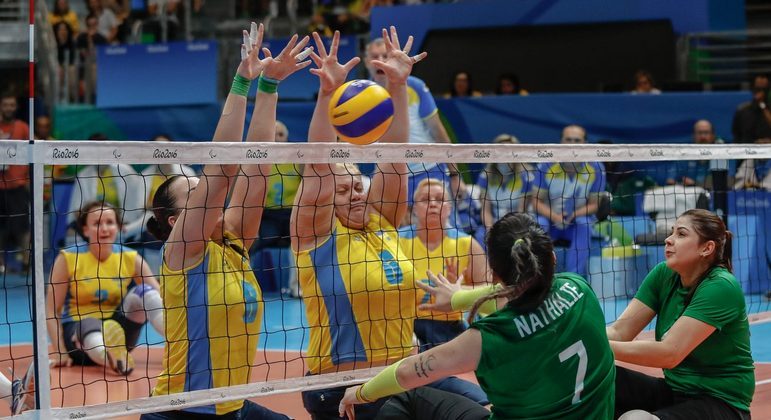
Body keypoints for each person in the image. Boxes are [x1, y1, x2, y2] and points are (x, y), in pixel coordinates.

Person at [141, 24, 309, 419]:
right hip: (183, 411)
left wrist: (269, 86)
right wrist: (241, 82)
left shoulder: (233, 241)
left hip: (231, 405)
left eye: (201, 188)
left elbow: (258, 166)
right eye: (194, 192)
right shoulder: (181, 251)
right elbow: (223, 170)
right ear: (172, 219)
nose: (205, 193)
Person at [339, 212, 616, 419]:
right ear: (552, 259)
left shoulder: (486, 339)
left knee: (407, 397)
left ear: (495, 273)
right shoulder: (580, 289)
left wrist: (361, 392)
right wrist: (457, 298)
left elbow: (408, 372)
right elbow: (516, 293)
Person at [292, 28, 426, 419]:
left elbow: (394, 156)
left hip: (403, 378)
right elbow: (318, 166)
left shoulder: (381, 221)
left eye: (357, 184)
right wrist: (328, 94)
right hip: (343, 389)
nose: (354, 193)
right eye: (342, 188)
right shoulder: (316, 235)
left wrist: (397, 85)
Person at [608, 209, 754, 420]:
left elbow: (670, 353)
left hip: (722, 404)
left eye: (681, 234)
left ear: (707, 248)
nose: (668, 239)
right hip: (674, 391)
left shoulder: (721, 286)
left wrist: (596, 345)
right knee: (589, 375)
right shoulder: (664, 274)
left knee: (636, 419)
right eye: (672, 232)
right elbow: (619, 331)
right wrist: (574, 342)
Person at [398, 178, 490, 404]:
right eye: (425, 199)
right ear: (414, 208)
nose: (432, 204)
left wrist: (457, 292)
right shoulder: (397, 241)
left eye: (439, 199)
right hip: (409, 331)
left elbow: (490, 291)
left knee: (472, 395)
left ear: (449, 207)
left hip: (452, 332)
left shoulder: (467, 244)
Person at [46, 201, 164, 375]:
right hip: (78, 335)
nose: (104, 228)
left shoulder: (131, 257)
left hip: (118, 331)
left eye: (109, 222)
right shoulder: (68, 258)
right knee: (89, 322)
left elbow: (160, 297)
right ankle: (113, 360)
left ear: (118, 227)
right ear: (85, 230)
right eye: (97, 223)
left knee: (146, 293)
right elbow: (51, 310)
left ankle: (182, 344)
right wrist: (60, 351)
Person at [364, 36, 461, 212]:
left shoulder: (415, 86)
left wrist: (454, 174)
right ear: (366, 62)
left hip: (429, 170)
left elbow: (437, 130)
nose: (380, 61)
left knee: (444, 232)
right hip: (389, 175)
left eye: (385, 56)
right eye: (375, 56)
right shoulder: (360, 95)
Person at [533, 125, 606, 277]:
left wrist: (574, 214)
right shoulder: (546, 165)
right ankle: (539, 276)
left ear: (585, 143)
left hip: (575, 222)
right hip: (550, 221)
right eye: (568, 139)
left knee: (584, 223)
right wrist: (554, 216)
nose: (572, 143)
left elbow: (594, 204)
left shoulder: (596, 167)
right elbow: (535, 201)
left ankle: (574, 278)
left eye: (577, 140)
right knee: (540, 224)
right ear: (561, 141)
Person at [123, 134, 196, 242]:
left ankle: (125, 231)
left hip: (182, 221)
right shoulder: (144, 176)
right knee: (149, 216)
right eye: (158, 148)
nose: (163, 152)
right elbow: (138, 207)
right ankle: (124, 232)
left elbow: (195, 199)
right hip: (152, 227)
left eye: (166, 147)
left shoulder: (187, 173)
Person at [478, 134, 535, 230]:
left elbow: (521, 210)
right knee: (480, 234)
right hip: (494, 221)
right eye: (501, 152)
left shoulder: (526, 176)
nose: (504, 157)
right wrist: (490, 230)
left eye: (508, 153)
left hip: (519, 221)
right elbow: (485, 211)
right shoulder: (485, 176)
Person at [0, 93, 30, 274]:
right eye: (5, 104)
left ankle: (26, 263)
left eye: (12, 104)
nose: (9, 108)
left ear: (16, 107)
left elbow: (33, 154)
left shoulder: (23, 128)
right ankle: (1, 264)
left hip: (17, 187)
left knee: (23, 227)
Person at [664, 119, 726, 189]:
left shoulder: (720, 158)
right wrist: (681, 185)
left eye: (706, 133)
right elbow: (670, 181)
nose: (703, 137)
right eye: (699, 133)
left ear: (713, 136)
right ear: (693, 135)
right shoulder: (683, 156)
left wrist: (695, 185)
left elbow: (725, 183)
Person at [732, 74, 771, 144]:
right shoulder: (742, 110)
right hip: (747, 152)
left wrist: (763, 106)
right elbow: (737, 136)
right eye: (758, 89)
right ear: (752, 89)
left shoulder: (768, 112)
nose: (761, 92)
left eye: (764, 89)